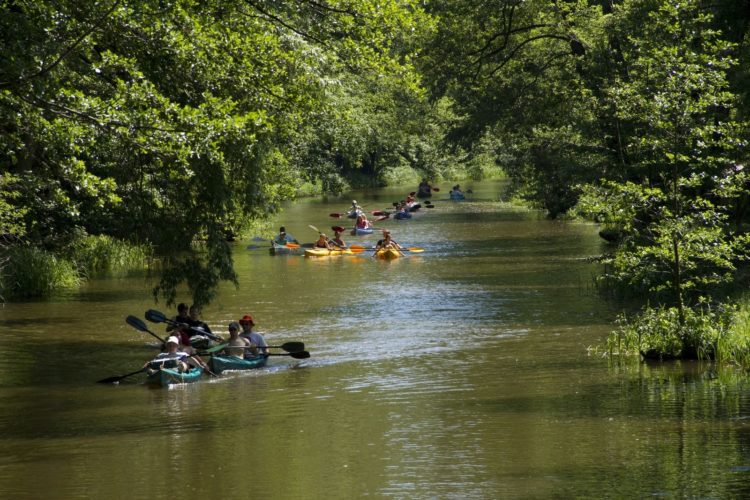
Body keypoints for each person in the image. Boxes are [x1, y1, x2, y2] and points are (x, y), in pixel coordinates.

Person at [143, 336, 210, 374]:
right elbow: (152, 363)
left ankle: (180, 368)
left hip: (179, 370)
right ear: (166, 345)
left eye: (173, 344)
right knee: (149, 367)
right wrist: (147, 365)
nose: (171, 346)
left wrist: (201, 368)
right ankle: (152, 372)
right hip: (165, 370)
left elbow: (195, 363)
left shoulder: (183, 354)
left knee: (182, 363)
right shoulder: (161, 355)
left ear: (177, 346)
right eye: (169, 344)